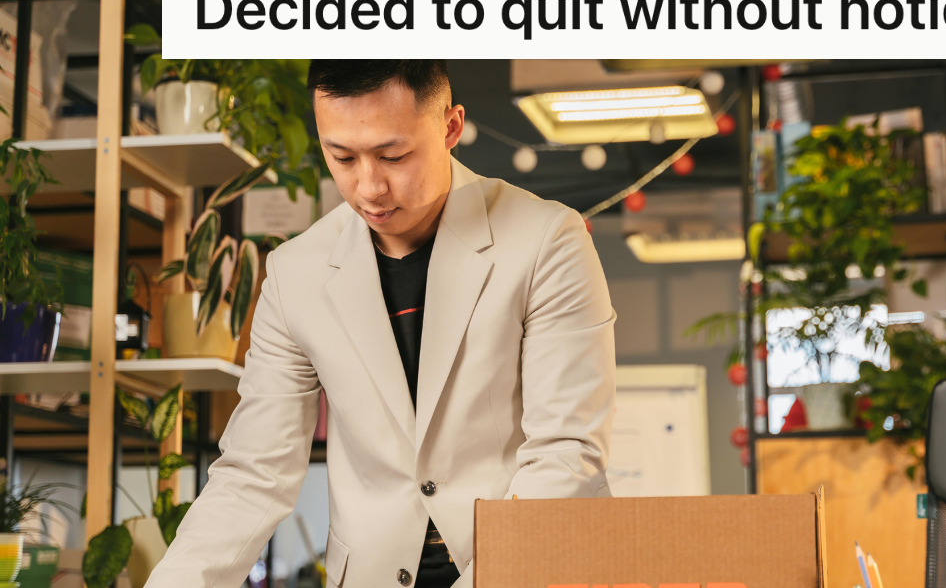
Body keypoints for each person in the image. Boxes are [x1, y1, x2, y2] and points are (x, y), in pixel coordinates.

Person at [145, 60, 617, 588]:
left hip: (525, 566)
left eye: (393, 156)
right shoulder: (294, 274)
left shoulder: (546, 240)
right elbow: (254, 472)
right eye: (342, 157)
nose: (369, 187)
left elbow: (565, 452)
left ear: (450, 128)